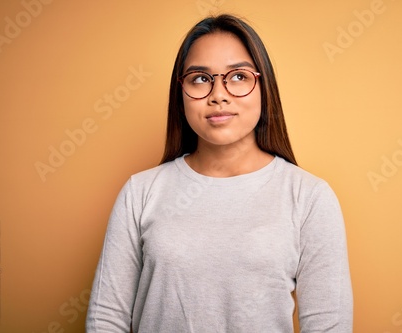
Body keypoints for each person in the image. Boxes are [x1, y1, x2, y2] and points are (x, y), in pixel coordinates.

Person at [86, 14, 353, 333]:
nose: (218, 94)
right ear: (180, 91)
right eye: (200, 78)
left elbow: (328, 325)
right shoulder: (140, 192)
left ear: (263, 86)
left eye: (238, 76)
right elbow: (106, 318)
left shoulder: (309, 197)